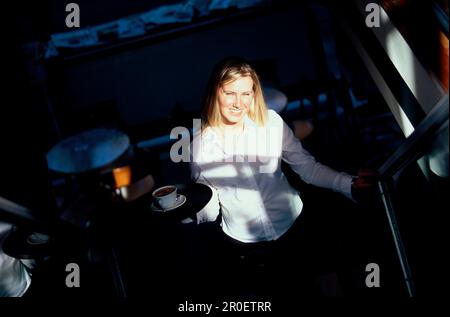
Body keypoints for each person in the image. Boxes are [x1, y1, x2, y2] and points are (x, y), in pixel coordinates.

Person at [189, 57, 376, 297]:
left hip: (295, 224)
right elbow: (209, 207)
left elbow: (308, 168)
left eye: (246, 93)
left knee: (319, 288)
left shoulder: (271, 124)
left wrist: (348, 183)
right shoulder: (201, 147)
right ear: (215, 92)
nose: (238, 103)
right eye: (230, 93)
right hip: (246, 244)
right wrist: (191, 209)